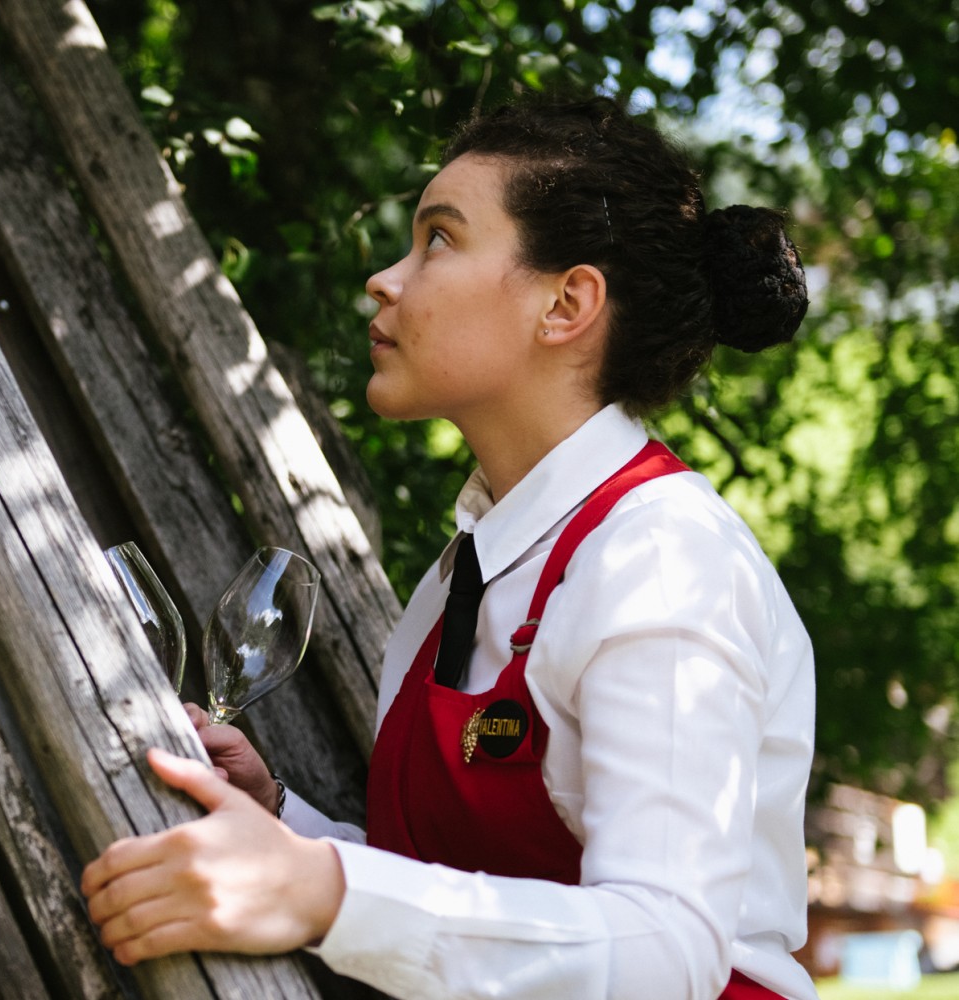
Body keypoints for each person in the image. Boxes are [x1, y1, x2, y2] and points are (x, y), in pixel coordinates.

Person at [81, 95, 818, 1000]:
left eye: (438, 239)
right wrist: (280, 823)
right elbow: (468, 901)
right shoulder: (473, 565)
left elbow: (665, 952)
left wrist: (322, 890)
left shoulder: (663, 561)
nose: (384, 280)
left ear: (566, 304)